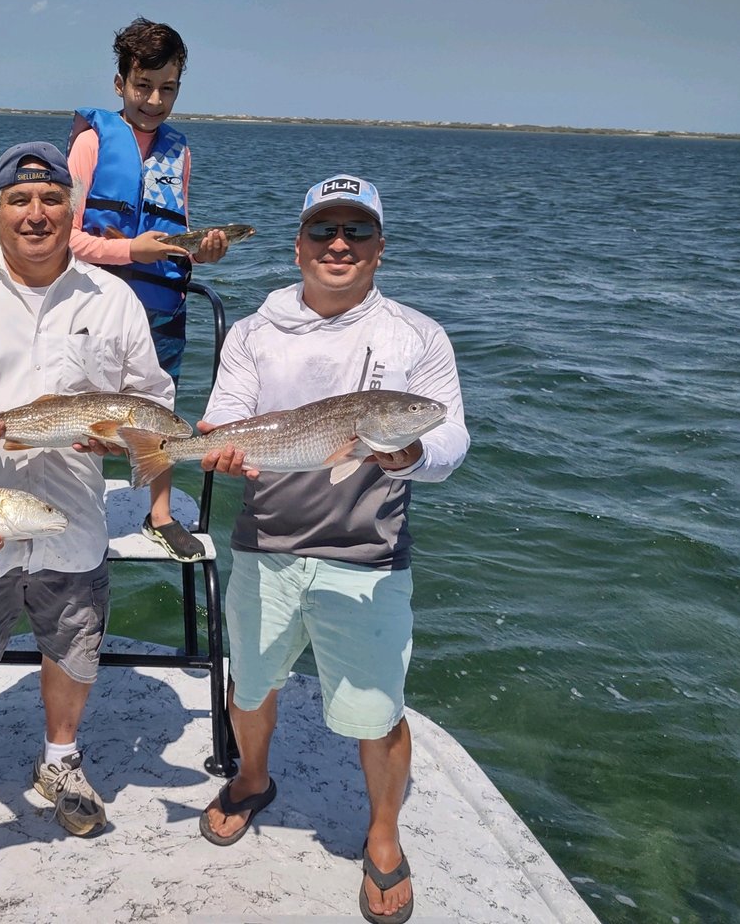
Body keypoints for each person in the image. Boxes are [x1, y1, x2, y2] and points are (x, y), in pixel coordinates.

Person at [195, 175, 469, 924]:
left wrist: (407, 451)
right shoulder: (254, 330)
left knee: (378, 711)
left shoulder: (418, 335)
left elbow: (449, 434)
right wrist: (214, 450)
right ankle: (251, 780)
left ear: (380, 248)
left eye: (355, 231)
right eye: (323, 231)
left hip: (368, 556)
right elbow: (223, 416)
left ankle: (382, 834)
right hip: (265, 545)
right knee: (251, 687)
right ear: (298, 246)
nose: (338, 244)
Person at [0, 142, 174, 844]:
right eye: (19, 201)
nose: (36, 213)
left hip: (71, 512)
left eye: (51, 199)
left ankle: (60, 761)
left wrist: (130, 441)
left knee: (73, 642)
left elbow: (149, 398)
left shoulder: (111, 299)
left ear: (70, 210)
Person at [67, 16, 232, 563]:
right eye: (143, 87)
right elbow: (64, 240)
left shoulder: (179, 153)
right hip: (92, 304)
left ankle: (158, 514)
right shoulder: (91, 144)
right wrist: (128, 251)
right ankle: (70, 504)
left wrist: (199, 250)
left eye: (168, 89)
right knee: (79, 408)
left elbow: (173, 230)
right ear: (120, 84)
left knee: (160, 409)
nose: (155, 100)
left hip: (162, 305)